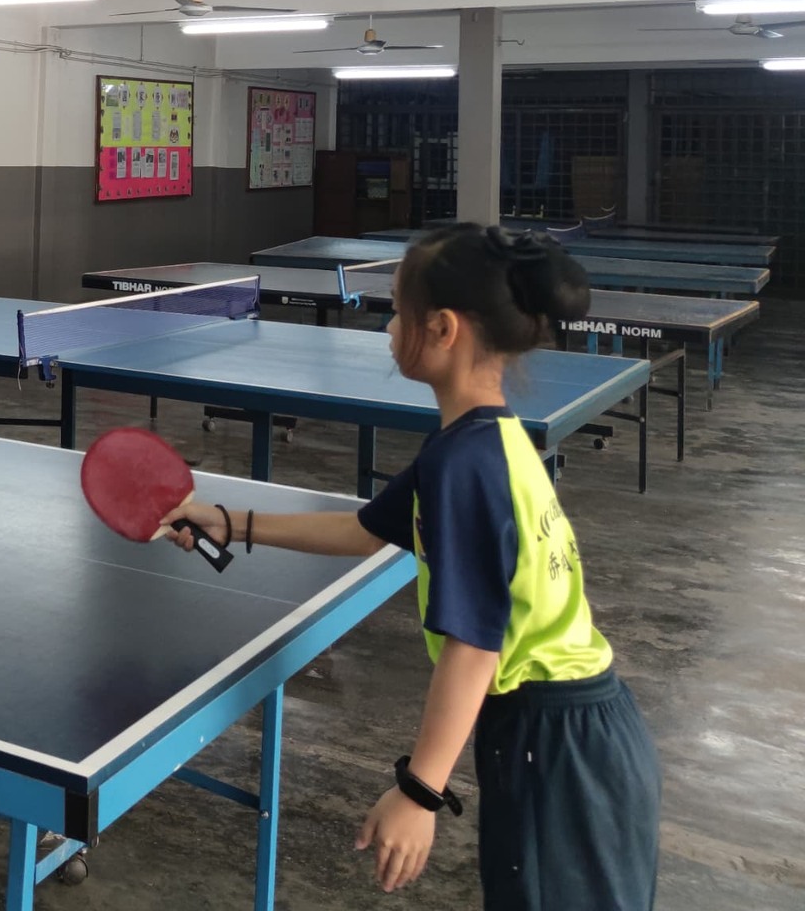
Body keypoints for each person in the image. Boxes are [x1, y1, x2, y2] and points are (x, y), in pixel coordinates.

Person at [160, 225, 660, 908]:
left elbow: (475, 645)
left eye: (398, 311)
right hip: (582, 729)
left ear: (443, 329)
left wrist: (420, 791)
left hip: (554, 742)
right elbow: (364, 530)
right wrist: (229, 521)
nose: (390, 327)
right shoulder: (488, 440)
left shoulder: (464, 464)